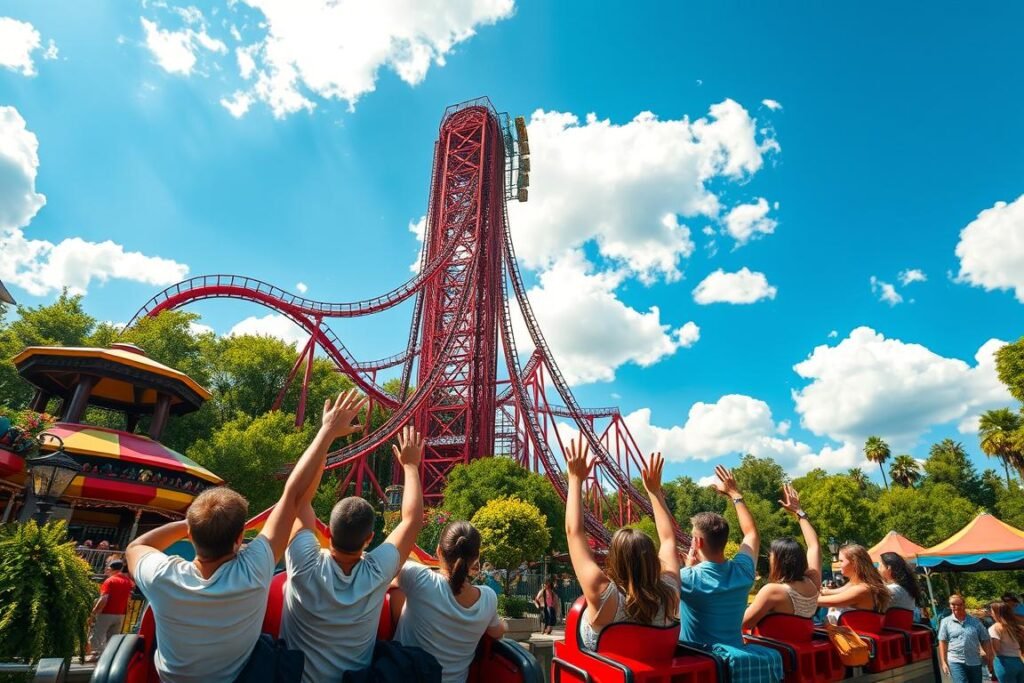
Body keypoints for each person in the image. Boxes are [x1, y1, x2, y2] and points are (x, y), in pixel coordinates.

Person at [126, 390, 367, 683]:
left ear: (191, 534)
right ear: (240, 536)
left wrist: (192, 524)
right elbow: (293, 495)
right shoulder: (253, 570)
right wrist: (327, 433)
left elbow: (138, 545)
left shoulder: (163, 576)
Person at [280, 425, 425, 683]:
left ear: (328, 533)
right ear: (369, 539)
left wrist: (326, 436)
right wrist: (411, 466)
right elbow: (412, 521)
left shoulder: (304, 564)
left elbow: (298, 499)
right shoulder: (377, 571)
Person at [562, 441, 679, 650]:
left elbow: (574, 532)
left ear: (614, 560)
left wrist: (574, 479)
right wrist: (654, 492)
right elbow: (669, 540)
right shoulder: (670, 593)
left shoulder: (604, 595)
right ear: (653, 559)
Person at [679, 465, 781, 683]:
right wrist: (735, 494)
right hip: (735, 664)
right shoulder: (743, 572)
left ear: (697, 542)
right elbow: (751, 533)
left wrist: (688, 567)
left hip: (701, 666)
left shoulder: (689, 579)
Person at [393, 520, 506, 683]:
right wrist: (504, 624)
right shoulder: (488, 598)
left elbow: (383, 573)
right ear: (476, 558)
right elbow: (497, 632)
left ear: (439, 551)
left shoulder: (419, 578)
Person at [741, 484, 821, 630]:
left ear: (779, 561)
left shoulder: (772, 591)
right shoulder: (813, 581)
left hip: (775, 649)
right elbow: (814, 546)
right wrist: (799, 512)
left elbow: (744, 624)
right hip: (802, 645)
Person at [817, 544, 891, 623]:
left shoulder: (861, 589)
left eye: (841, 561)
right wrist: (823, 591)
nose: (839, 564)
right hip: (851, 632)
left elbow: (818, 601)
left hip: (852, 634)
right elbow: (832, 592)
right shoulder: (856, 584)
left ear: (854, 563)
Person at [88, 557, 135, 660]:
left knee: (97, 634)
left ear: (111, 568)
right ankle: (109, 657)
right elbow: (129, 598)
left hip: (106, 612)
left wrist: (94, 612)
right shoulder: (128, 582)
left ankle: (97, 656)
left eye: (107, 568)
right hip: (121, 614)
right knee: (113, 637)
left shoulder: (110, 581)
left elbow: (104, 598)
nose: (106, 570)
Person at [939, 594, 994, 683]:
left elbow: (985, 639)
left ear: (964, 605)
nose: (956, 607)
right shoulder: (945, 622)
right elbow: (942, 641)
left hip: (974, 661)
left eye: (959, 604)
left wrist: (988, 657)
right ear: (950, 605)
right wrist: (943, 662)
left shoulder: (975, 621)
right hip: (955, 661)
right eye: (953, 604)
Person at [989, 601, 1024, 683]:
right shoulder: (1019, 627)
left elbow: (996, 649)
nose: (991, 614)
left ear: (997, 613)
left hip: (1004, 663)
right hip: (1020, 662)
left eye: (992, 611)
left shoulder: (995, 628)